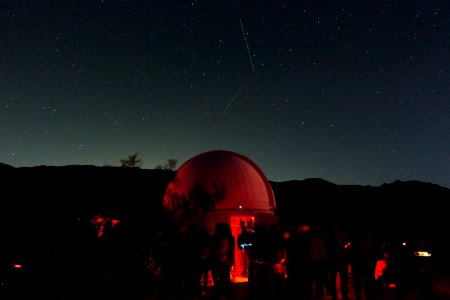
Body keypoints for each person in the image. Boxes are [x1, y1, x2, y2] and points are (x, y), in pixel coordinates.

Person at [209, 223, 235, 299]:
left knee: (219, 281)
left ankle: (220, 294)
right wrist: (230, 260)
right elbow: (231, 251)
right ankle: (224, 294)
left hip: (217, 262)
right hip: (223, 262)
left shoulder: (213, 238)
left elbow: (211, 252)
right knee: (225, 279)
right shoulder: (230, 238)